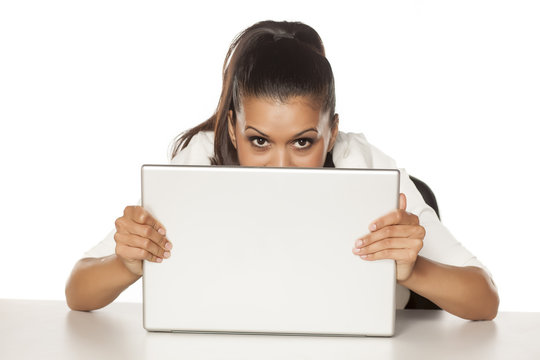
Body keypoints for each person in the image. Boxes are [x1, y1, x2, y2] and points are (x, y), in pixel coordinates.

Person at [65, 20, 499, 320]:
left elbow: (485, 299)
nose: (280, 163)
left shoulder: (361, 163)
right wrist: (127, 263)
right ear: (232, 129)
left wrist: (412, 269)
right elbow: (77, 292)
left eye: (303, 142)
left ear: (332, 134)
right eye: (259, 141)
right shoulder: (201, 159)